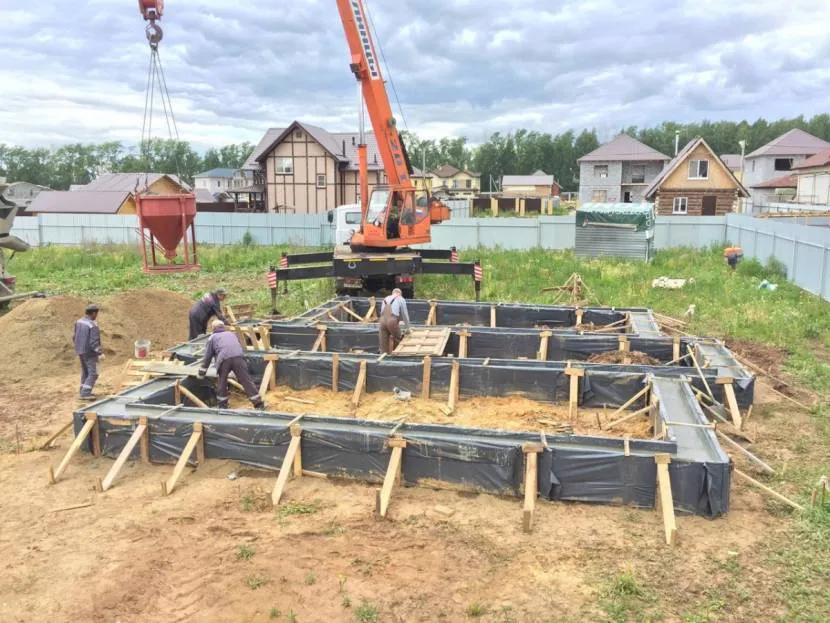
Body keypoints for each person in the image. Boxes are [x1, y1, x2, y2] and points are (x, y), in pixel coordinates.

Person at [198, 320, 265, 410]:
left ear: (213, 328)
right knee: (246, 380)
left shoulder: (212, 338)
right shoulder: (231, 334)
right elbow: (235, 347)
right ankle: (258, 404)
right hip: (239, 357)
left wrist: (201, 373)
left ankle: (223, 406)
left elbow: (207, 357)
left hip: (224, 359)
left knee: (222, 382)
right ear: (223, 326)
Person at [73, 303, 104, 400]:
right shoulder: (92, 325)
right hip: (89, 352)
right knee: (93, 373)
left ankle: (82, 389)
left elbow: (74, 337)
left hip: (80, 350)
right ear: (94, 313)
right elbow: (94, 342)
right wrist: (99, 352)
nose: (96, 316)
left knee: (85, 372)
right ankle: (85, 393)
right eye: (96, 314)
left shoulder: (79, 322)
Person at [379, 288, 411, 354]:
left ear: (392, 293)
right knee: (399, 339)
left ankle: (384, 358)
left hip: (382, 321)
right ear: (400, 294)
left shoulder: (385, 299)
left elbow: (382, 313)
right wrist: (408, 328)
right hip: (392, 321)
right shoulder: (401, 299)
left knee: (383, 344)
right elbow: (405, 315)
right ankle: (398, 357)